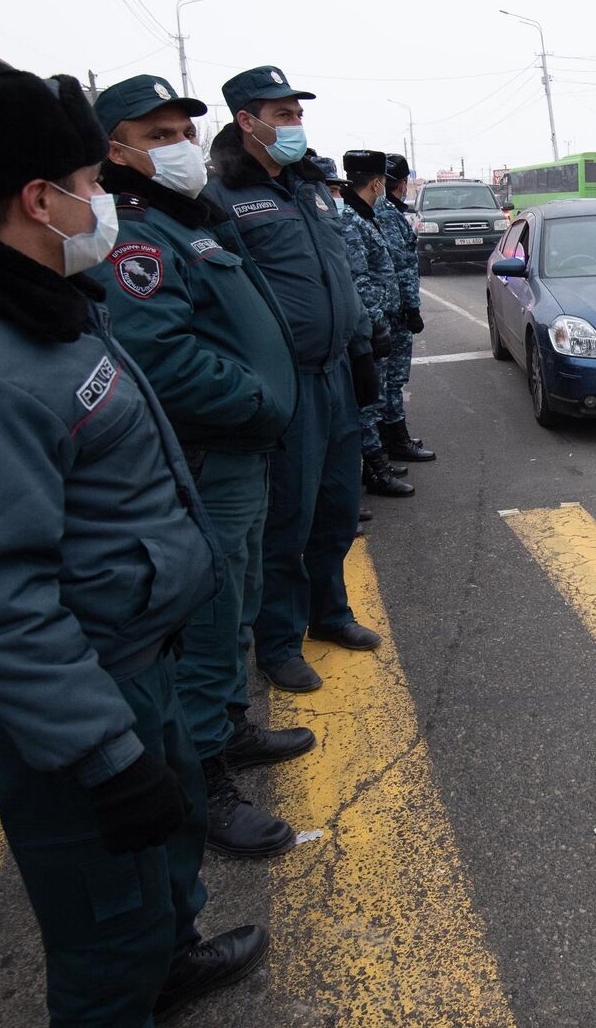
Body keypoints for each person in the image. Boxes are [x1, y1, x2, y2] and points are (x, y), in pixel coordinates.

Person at [0, 60, 265, 1024]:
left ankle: (175, 958)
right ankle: (136, 980)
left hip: (132, 659)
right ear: (37, 200)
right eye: (88, 187)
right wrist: (104, 758)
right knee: (104, 934)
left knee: (164, 862)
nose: (104, 202)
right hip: (78, 703)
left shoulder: (36, 307)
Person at [91, 73, 312, 860]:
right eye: (156, 136)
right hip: (210, 451)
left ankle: (229, 726)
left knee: (241, 596)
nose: (180, 146)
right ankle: (203, 781)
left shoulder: (192, 219)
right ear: (114, 150)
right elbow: (161, 356)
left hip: (242, 452)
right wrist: (258, 401)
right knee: (209, 619)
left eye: (183, 131)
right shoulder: (137, 234)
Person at [205, 66, 383, 694]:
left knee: (337, 507)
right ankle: (278, 642)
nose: (295, 124)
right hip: (287, 382)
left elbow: (335, 270)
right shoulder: (220, 197)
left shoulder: (310, 187)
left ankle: (328, 613)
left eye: (297, 113)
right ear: (245, 122)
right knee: (289, 516)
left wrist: (361, 342)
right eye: (281, 115)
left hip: (337, 372)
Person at [339, 150, 413, 500]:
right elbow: (359, 280)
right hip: (371, 326)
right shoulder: (353, 221)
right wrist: (376, 325)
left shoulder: (363, 216)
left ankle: (379, 459)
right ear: (377, 183)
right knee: (368, 400)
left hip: (381, 319)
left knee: (379, 393)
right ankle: (375, 470)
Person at [378, 154, 433, 462]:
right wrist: (412, 308)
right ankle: (394, 442)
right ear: (401, 183)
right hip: (395, 312)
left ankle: (389, 439)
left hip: (391, 309)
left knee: (388, 380)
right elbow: (400, 266)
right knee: (393, 378)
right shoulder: (386, 214)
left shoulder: (384, 211)